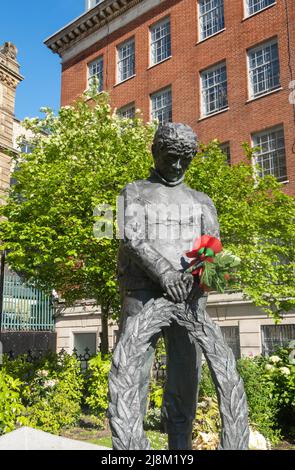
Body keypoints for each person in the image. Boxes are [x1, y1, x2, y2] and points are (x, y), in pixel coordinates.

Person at [117, 123, 220, 450]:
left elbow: (213, 245)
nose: (177, 166)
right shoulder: (131, 191)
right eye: (171, 158)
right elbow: (129, 236)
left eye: (184, 160)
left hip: (188, 299)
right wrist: (164, 274)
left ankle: (180, 447)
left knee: (186, 377)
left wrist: (192, 276)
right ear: (156, 152)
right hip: (142, 294)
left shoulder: (202, 200)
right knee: (132, 375)